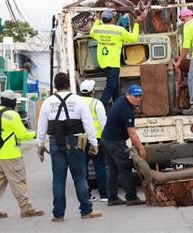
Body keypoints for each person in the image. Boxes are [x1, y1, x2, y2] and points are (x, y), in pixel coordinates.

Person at [36, 73, 102, 222]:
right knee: (79, 177)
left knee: (58, 179)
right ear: (69, 85)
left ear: (55, 86)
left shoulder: (47, 102)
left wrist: (40, 145)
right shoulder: (78, 101)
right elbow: (88, 124)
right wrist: (94, 143)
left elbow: (41, 127)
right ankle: (86, 210)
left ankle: (58, 215)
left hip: (55, 143)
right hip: (76, 142)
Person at [0, 90, 44, 220]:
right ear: (12, 102)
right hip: (10, 155)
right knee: (18, 182)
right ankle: (26, 208)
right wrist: (36, 134)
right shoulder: (12, 115)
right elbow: (23, 135)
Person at [101, 85, 146, 206]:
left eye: (140, 96)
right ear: (128, 95)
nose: (138, 99)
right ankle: (131, 197)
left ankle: (112, 197)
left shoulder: (121, 100)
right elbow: (132, 132)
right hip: (114, 141)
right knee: (125, 167)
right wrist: (141, 149)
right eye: (135, 96)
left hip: (106, 139)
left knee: (113, 169)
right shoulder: (126, 109)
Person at [89, 10, 141, 106]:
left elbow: (91, 32)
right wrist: (136, 23)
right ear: (113, 19)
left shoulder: (97, 30)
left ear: (103, 19)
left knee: (115, 87)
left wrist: (96, 21)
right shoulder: (119, 30)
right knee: (111, 87)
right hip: (113, 63)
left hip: (103, 62)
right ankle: (98, 107)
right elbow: (133, 38)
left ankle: (117, 107)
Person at [79, 79, 108, 202]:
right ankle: (104, 195)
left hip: (81, 140)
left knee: (82, 168)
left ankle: (87, 195)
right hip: (96, 139)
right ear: (92, 91)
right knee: (100, 166)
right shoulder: (97, 103)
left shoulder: (76, 103)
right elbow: (103, 123)